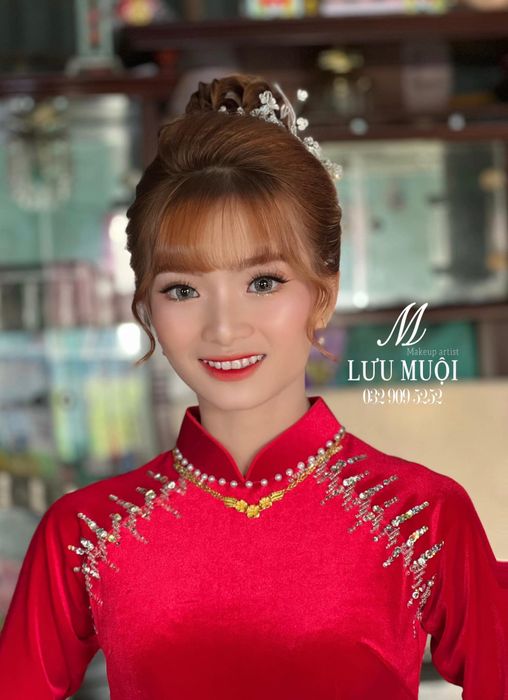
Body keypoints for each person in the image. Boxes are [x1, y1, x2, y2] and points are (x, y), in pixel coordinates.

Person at [0, 73, 506, 700]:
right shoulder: (85, 533)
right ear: (146, 308)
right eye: (183, 289)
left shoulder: (420, 517)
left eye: (263, 282)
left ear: (322, 295)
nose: (224, 327)